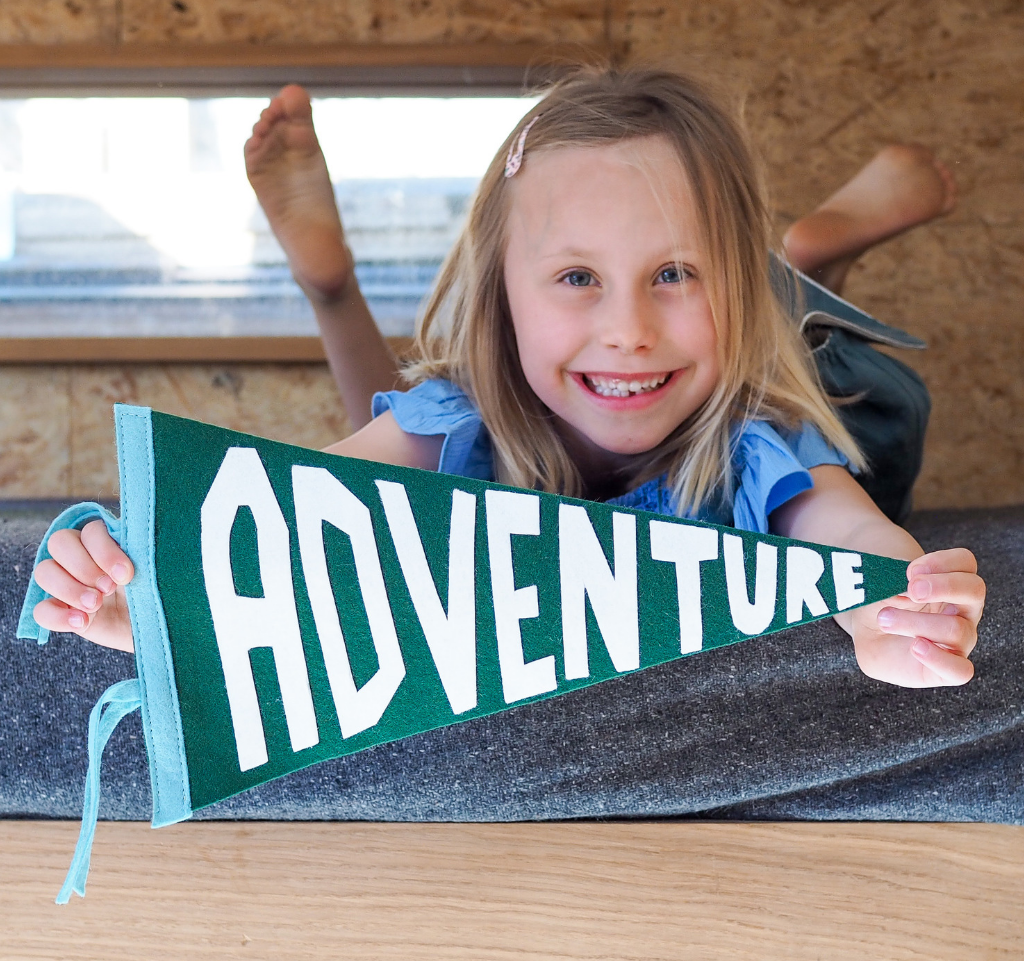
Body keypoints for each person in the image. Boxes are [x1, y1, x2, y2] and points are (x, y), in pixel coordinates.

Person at [32, 67, 983, 692]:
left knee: (842, 388)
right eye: (577, 278)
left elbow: (855, 532)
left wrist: (894, 606)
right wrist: (147, 592)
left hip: (826, 390)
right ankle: (332, 286)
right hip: (527, 379)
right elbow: (283, 502)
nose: (627, 331)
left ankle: (801, 266)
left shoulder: (756, 443)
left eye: (674, 274)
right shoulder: (461, 416)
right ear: (504, 296)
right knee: (408, 451)